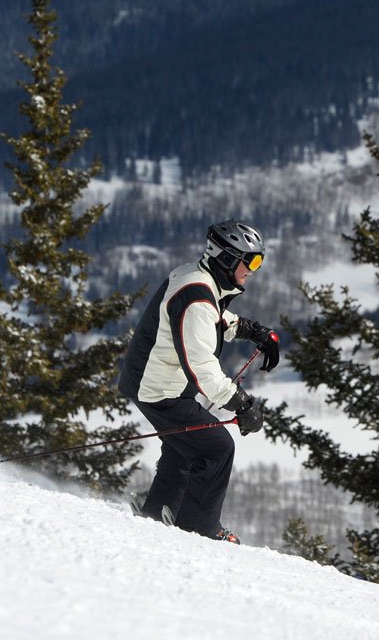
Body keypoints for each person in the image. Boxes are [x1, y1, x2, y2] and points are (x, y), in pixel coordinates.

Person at [118, 220, 281, 543]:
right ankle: (199, 529)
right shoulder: (197, 297)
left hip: (156, 383)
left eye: (258, 261)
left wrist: (255, 332)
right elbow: (203, 366)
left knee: (186, 444)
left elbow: (215, 320)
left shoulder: (200, 280)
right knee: (217, 447)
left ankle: (158, 510)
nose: (253, 270)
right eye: (251, 262)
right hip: (159, 390)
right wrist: (243, 404)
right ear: (227, 259)